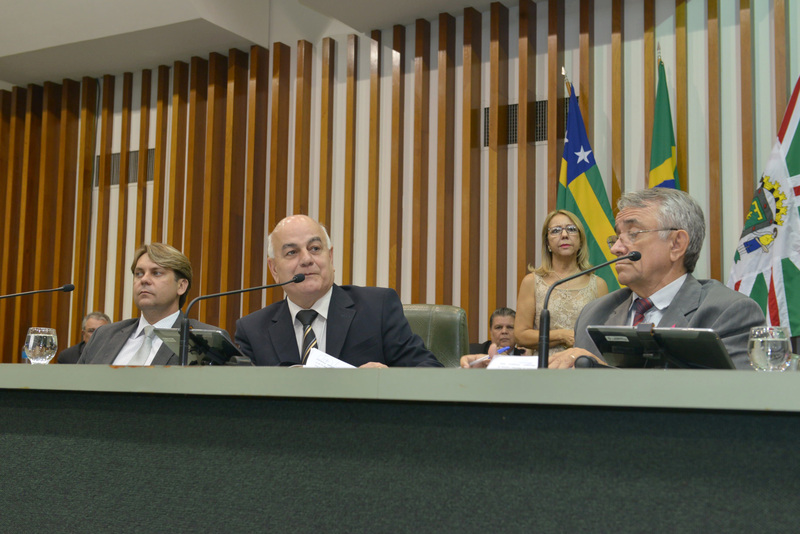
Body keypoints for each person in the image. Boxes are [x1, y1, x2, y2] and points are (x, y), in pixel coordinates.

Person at [235, 215, 443, 368]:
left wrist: (385, 379)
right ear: (274, 269)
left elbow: (429, 370)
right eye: (292, 252)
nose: (306, 259)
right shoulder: (252, 330)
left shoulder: (377, 308)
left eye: (315, 248)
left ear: (330, 257)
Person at [78, 243, 224, 365]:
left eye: (156, 273)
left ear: (181, 286)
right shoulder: (103, 335)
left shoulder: (207, 341)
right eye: (139, 273)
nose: (144, 280)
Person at [513, 210, 608, 355]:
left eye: (571, 229)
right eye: (556, 230)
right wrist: (561, 335)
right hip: (546, 365)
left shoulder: (598, 285)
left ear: (581, 241)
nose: (564, 235)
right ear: (547, 243)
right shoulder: (532, 282)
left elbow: (603, 336)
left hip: (584, 364)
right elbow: (520, 335)